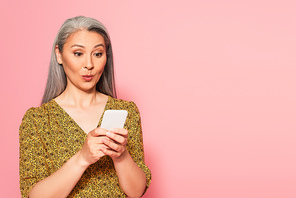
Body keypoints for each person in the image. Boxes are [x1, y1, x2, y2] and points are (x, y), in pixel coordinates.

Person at [19, 16, 151, 198]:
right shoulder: (37, 120)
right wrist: (82, 158)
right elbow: (34, 196)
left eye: (97, 54)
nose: (89, 65)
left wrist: (121, 155)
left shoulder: (125, 111)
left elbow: (136, 191)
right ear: (59, 55)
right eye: (78, 53)